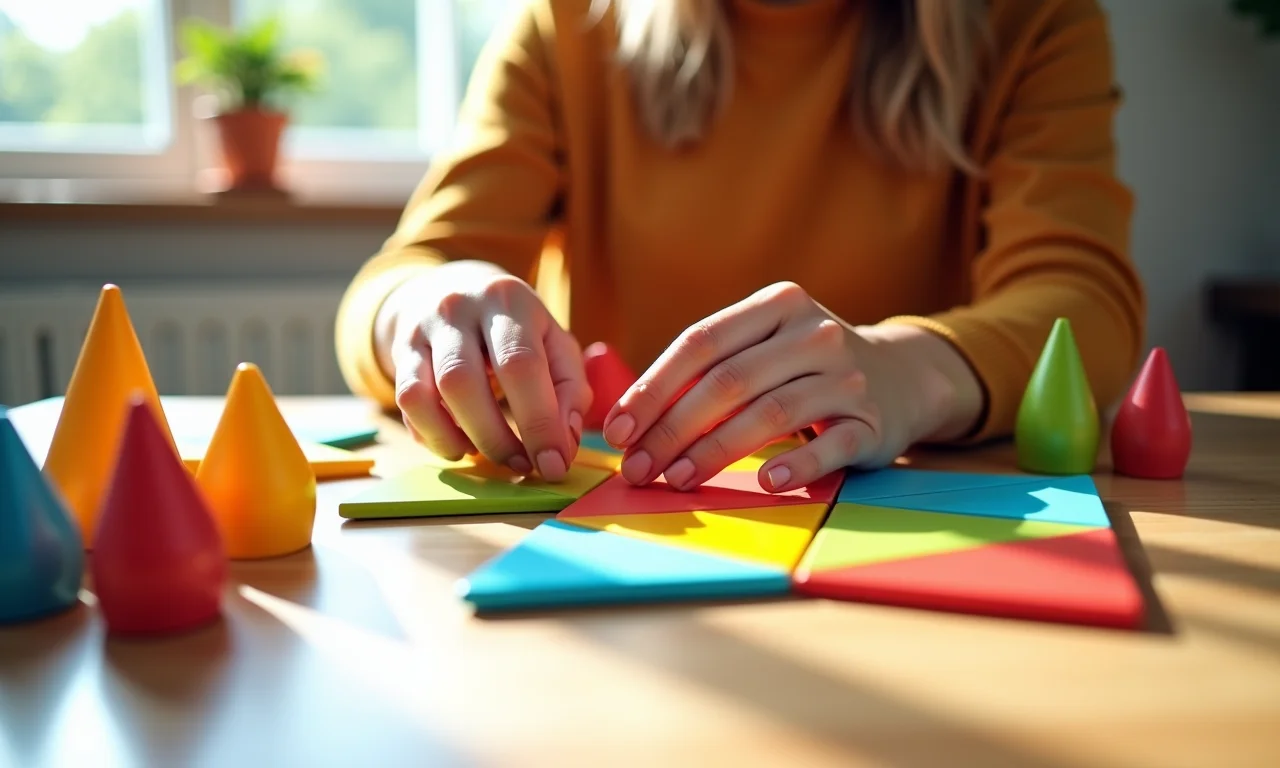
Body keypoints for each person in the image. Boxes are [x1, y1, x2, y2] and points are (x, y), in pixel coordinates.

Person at [334, 0, 1144, 493]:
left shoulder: (1035, 19)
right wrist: (425, 311)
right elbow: (404, 275)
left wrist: (909, 369)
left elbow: (1082, 299)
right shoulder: (566, 19)